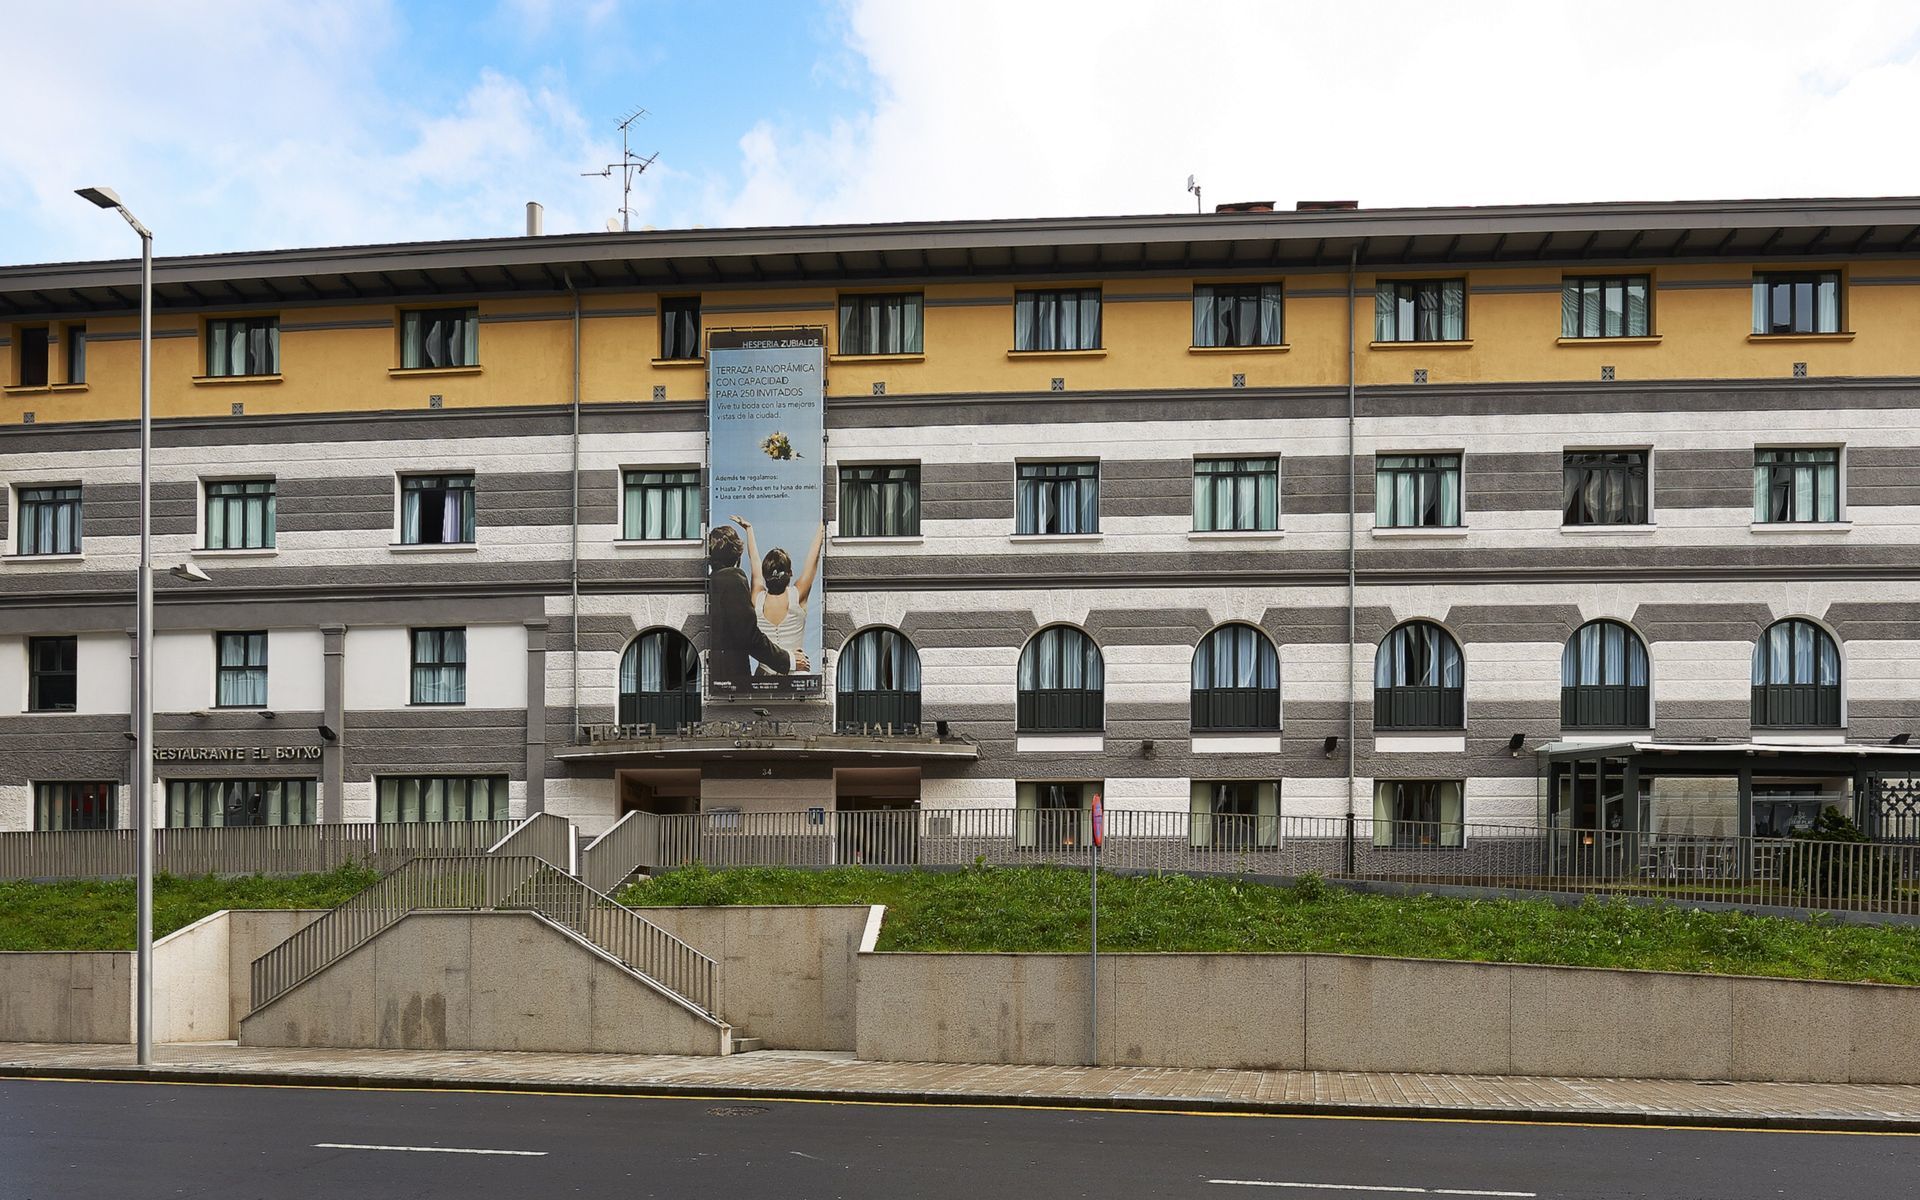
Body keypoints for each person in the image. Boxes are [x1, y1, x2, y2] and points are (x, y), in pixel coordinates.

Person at [704, 525, 806, 691]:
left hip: (708, 679)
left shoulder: (709, 582)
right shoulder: (733, 579)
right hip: (731, 681)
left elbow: (756, 566)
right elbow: (749, 636)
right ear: (737, 554)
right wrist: (789, 660)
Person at [735, 517, 824, 673]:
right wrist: (823, 523)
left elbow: (754, 562)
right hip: (797, 674)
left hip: (764, 677)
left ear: (765, 575)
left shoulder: (757, 598)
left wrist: (749, 530)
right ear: (790, 573)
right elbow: (813, 557)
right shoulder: (798, 594)